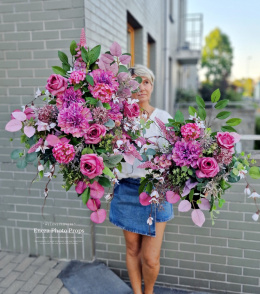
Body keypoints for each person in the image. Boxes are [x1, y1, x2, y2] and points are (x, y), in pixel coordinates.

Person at [109, 64, 174, 294]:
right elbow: (110, 155)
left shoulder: (164, 119)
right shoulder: (116, 119)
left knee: (151, 258)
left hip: (156, 192)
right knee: (132, 250)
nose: (141, 87)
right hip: (126, 189)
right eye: (135, 82)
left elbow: (175, 157)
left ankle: (149, 292)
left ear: (152, 86)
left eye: (146, 82)